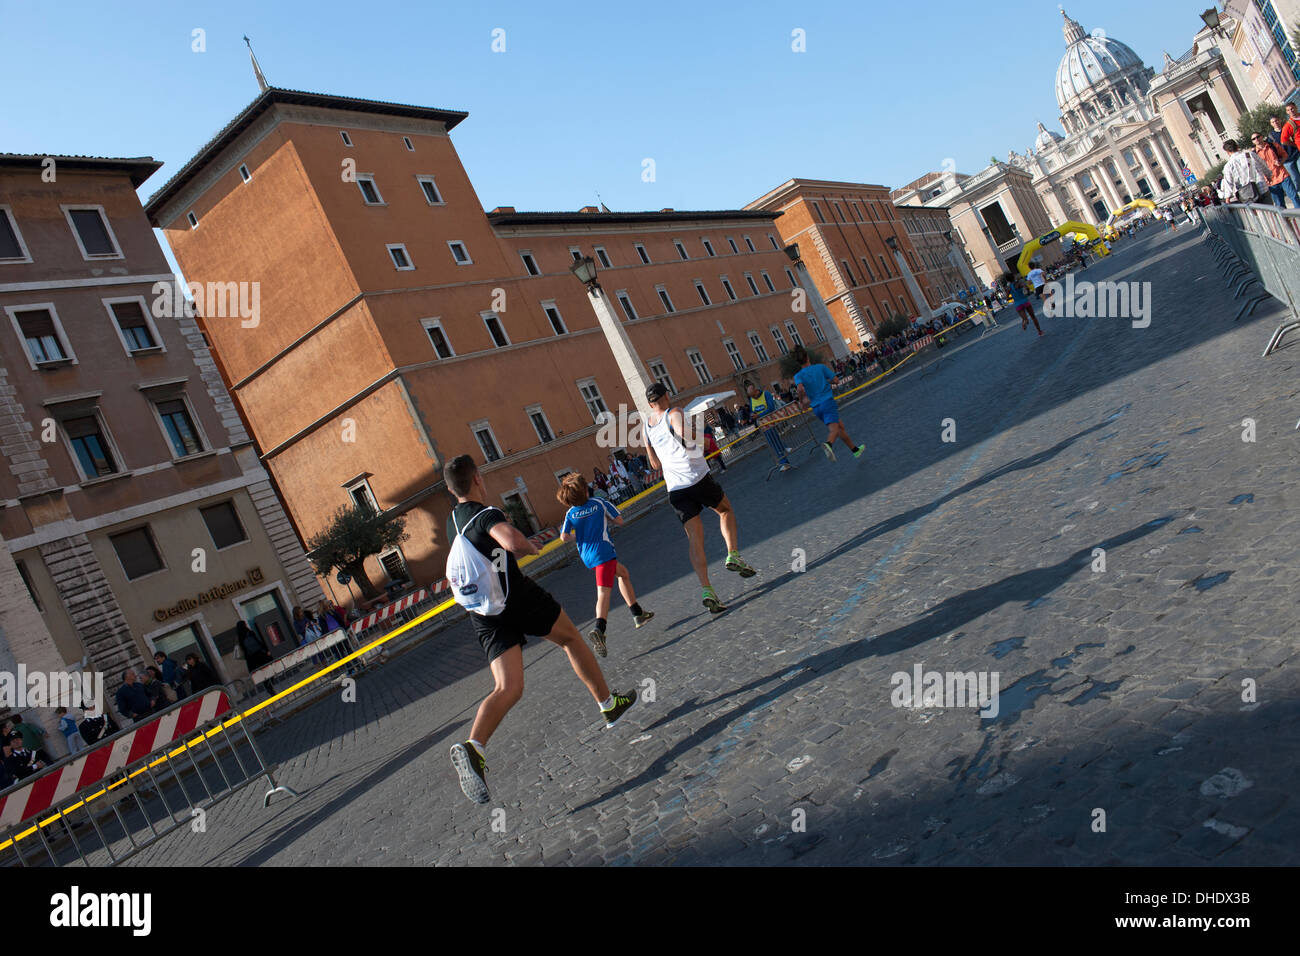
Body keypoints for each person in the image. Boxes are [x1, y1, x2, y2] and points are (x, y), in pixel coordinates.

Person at [444, 454, 636, 805]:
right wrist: (529, 545)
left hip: (485, 613)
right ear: (478, 481)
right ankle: (608, 704)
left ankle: (474, 748)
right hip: (517, 597)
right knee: (570, 639)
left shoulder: (452, 522)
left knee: (508, 686)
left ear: (450, 488)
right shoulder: (486, 515)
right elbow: (511, 542)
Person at [643, 382, 755, 614]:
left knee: (695, 539)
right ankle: (733, 554)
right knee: (725, 510)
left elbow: (653, 463)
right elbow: (684, 434)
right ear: (667, 394)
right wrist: (704, 440)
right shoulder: (673, 412)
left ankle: (707, 590)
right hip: (696, 477)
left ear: (649, 403)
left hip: (675, 489)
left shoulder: (646, 426)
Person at [556, 473, 654, 658]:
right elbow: (620, 521)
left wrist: (581, 535)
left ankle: (637, 613)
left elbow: (564, 537)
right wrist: (605, 521)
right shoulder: (599, 503)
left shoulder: (570, 512)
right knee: (603, 592)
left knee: (623, 574)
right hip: (603, 552)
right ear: (586, 490)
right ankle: (599, 629)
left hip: (588, 557)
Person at [791, 345, 864, 461]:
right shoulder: (820, 367)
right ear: (808, 357)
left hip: (816, 407)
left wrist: (802, 402)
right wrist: (827, 382)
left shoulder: (798, 376)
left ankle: (855, 450)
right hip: (827, 401)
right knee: (834, 430)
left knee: (840, 427)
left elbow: (799, 389)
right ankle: (828, 444)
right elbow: (836, 380)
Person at [745, 381, 792, 472]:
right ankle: (784, 451)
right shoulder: (751, 399)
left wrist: (758, 415)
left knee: (773, 441)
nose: (753, 398)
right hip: (762, 424)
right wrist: (752, 415)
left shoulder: (766, 394)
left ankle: (784, 461)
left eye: (753, 395)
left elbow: (771, 408)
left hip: (771, 421)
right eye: (750, 396)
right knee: (773, 442)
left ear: (756, 390)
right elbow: (752, 410)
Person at [1252, 131, 1299, 209]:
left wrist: (1281, 161)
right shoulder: (1254, 154)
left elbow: (1284, 155)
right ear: (1253, 142)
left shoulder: (1273, 145)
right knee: (1279, 204)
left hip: (1283, 175)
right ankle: (1285, 220)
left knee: (1294, 196)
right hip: (1271, 181)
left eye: (1258, 137)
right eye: (1254, 139)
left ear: (1261, 137)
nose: (1256, 139)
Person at [1218, 139, 1270, 205]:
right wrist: (1268, 175)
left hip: (1247, 196)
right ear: (1237, 146)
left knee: (1257, 215)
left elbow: (1229, 183)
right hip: (1262, 188)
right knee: (1272, 213)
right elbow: (1263, 165)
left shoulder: (1228, 166)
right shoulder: (1250, 154)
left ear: (1227, 152)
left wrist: (1227, 198)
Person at [1281, 103, 1300, 190]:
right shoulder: (1288, 125)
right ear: (1287, 112)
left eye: (1292, 108)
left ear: (1296, 108)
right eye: (1288, 110)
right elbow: (1284, 141)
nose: (1291, 111)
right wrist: (1295, 144)